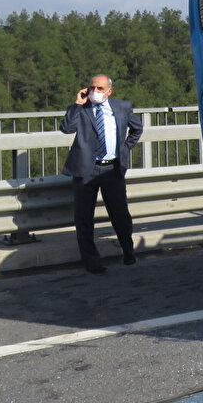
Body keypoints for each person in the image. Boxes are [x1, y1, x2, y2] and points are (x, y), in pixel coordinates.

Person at [60, 75, 144, 273]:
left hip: (111, 169)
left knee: (120, 214)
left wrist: (124, 149)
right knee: (84, 218)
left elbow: (137, 129)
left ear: (109, 91)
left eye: (99, 88)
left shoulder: (122, 107)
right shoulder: (82, 108)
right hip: (86, 170)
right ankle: (92, 263)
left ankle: (128, 252)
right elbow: (66, 128)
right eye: (92, 88)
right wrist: (77, 104)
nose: (94, 92)